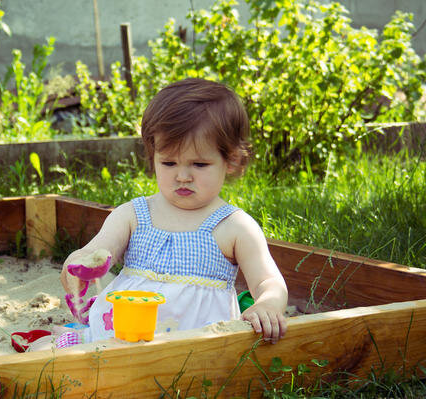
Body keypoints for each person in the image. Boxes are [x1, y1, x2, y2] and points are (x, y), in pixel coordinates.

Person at [59, 78, 288, 347]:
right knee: (73, 350)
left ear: (231, 161)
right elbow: (97, 249)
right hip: (120, 336)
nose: (182, 176)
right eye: (168, 162)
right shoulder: (133, 215)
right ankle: (81, 339)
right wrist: (81, 264)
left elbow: (268, 281)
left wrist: (268, 304)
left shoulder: (234, 226)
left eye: (199, 164)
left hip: (199, 346)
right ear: (153, 155)